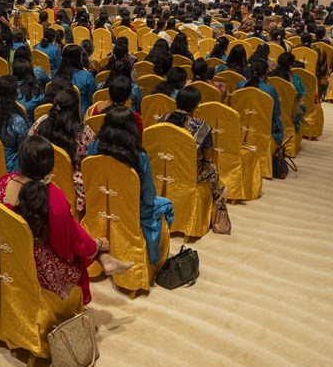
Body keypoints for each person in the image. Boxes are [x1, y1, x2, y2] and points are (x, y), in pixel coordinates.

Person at [0, 136, 132, 303]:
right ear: (49, 165)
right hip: (38, 267)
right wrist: (97, 245)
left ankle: (101, 254)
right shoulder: (50, 195)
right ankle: (101, 253)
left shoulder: (1, 183)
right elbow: (70, 240)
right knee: (76, 254)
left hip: (6, 254)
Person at [94, 108, 172, 264]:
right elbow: (149, 197)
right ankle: (156, 259)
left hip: (104, 206)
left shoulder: (95, 148)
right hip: (133, 209)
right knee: (167, 204)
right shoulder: (139, 156)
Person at [160, 87, 231, 232]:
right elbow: (208, 156)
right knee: (212, 168)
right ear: (196, 105)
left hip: (164, 168)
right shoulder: (201, 126)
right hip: (188, 173)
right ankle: (218, 205)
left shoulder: (163, 118)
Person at [28, 87, 95, 213]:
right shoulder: (84, 133)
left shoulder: (41, 122)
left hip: (41, 177)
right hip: (72, 185)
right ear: (76, 109)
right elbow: (89, 163)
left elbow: (29, 143)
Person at [237, 60, 284, 146]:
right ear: (266, 73)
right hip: (264, 130)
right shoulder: (270, 90)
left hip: (241, 127)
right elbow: (276, 113)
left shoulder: (240, 85)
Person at [52, 44, 96, 112]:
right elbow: (92, 99)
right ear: (78, 58)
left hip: (60, 111)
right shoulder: (87, 76)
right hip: (81, 113)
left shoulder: (56, 73)